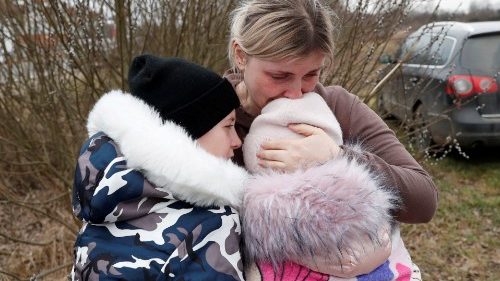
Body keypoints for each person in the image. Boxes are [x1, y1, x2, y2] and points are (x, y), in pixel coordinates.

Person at [226, 0, 438, 226]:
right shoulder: (209, 113)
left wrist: (338, 159)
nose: (296, 93)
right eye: (279, 76)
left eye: (311, 74)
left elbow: (424, 201)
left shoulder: (337, 106)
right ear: (241, 56)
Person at [71, 54, 249, 280]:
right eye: (228, 126)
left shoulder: (100, 204)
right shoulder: (211, 223)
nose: (237, 141)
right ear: (188, 133)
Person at [241, 92, 420, 280]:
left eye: (311, 74)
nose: (294, 89)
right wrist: (341, 155)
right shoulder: (374, 213)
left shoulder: (257, 233)